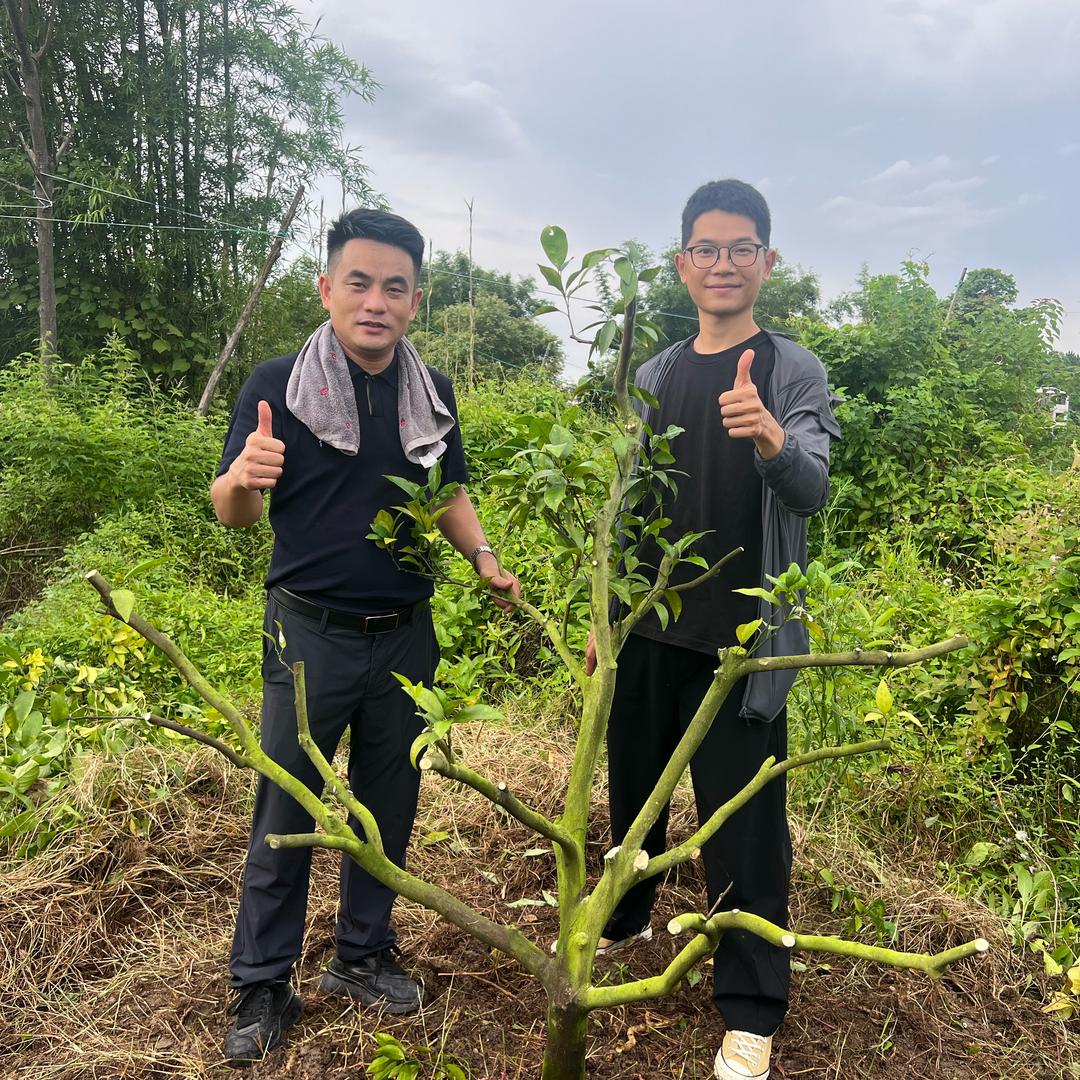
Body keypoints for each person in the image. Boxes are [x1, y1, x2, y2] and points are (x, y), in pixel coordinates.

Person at [211, 208, 520, 1065]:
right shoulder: (278, 385)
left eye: (394, 287)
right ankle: (264, 982)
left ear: (415, 301)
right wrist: (242, 478)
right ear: (327, 289)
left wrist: (485, 557)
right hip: (308, 634)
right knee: (289, 812)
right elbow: (234, 513)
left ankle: (361, 954)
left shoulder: (431, 393)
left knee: (389, 805)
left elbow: (449, 489)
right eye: (359, 282)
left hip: (405, 635)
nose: (375, 301)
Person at [587, 180, 840, 1080]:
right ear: (683, 261)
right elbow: (627, 504)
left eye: (741, 248)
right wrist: (607, 614)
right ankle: (626, 916)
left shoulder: (792, 370)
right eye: (706, 248)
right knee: (635, 792)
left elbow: (814, 486)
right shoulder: (655, 374)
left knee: (745, 824)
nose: (723, 263)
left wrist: (770, 438)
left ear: (768, 262)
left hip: (746, 643)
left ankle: (751, 1005)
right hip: (654, 627)